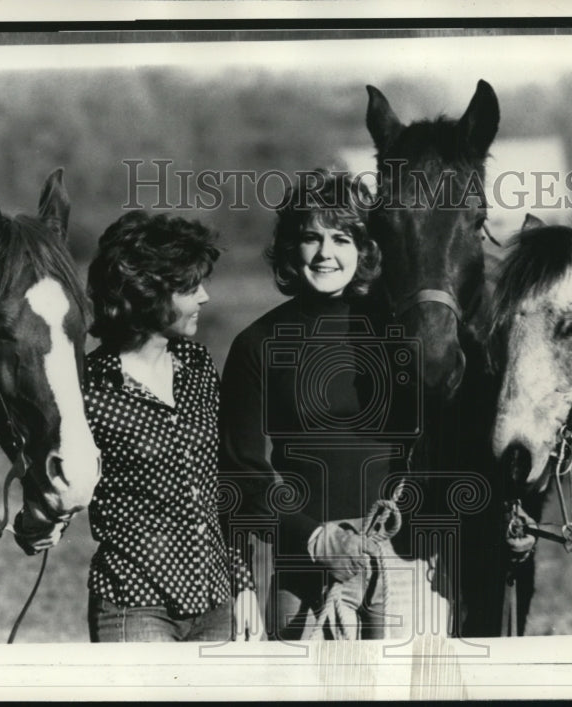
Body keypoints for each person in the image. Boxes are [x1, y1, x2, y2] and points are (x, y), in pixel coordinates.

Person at [219, 170, 422, 640]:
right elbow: (241, 470)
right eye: (311, 237)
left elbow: (435, 441)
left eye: (342, 238)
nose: (326, 253)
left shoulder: (401, 335)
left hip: (393, 558)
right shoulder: (257, 343)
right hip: (303, 562)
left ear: (366, 249)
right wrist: (312, 537)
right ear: (292, 248)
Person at [83, 211, 261, 642]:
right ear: (146, 292)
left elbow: (221, 486)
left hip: (218, 602)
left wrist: (244, 586)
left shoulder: (198, 366)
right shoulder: (87, 386)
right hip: (134, 604)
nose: (204, 297)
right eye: (188, 287)